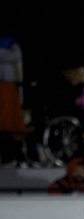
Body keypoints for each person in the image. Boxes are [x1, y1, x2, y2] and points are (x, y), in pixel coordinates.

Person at [0, 34, 27, 168]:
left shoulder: (12, 42)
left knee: (10, 123)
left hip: (9, 88)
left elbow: (17, 55)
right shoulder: (9, 46)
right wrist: (6, 52)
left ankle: (12, 157)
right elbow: (12, 56)